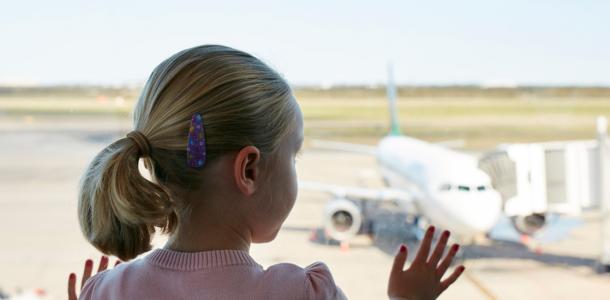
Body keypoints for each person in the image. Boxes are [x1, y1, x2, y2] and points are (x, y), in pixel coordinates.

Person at [68, 44, 465, 299]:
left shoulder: (106, 291)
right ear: (250, 170)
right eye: (294, 156)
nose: (295, 169)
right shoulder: (302, 294)